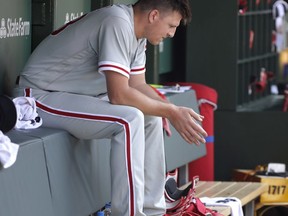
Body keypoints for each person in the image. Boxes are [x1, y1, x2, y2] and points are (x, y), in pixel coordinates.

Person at [14, 0, 207, 215]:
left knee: (151, 118)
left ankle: (153, 211)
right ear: (154, 16)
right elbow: (119, 95)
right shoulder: (117, 21)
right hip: (37, 96)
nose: (172, 34)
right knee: (129, 119)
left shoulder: (137, 33)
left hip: (71, 95)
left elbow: (137, 85)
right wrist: (170, 112)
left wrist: (167, 108)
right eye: (171, 26)